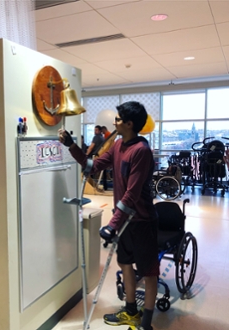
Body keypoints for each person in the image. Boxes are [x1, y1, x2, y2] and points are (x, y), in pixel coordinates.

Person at [58, 101, 159, 330]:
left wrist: (112, 225)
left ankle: (146, 324)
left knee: (148, 272)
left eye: (119, 119)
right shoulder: (118, 145)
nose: (115, 122)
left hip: (142, 222)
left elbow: (132, 194)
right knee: (125, 264)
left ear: (130, 124)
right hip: (125, 221)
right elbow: (92, 165)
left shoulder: (141, 151)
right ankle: (131, 311)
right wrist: (72, 145)